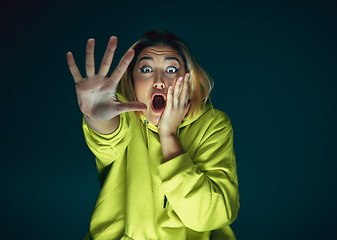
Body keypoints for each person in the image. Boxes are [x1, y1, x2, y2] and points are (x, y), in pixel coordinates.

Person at [67, 30, 239, 240]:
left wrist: (168, 135)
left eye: (171, 69)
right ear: (132, 80)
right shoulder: (124, 116)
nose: (159, 81)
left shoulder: (213, 124)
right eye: (146, 69)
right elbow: (108, 140)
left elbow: (211, 215)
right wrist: (96, 117)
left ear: (188, 78)